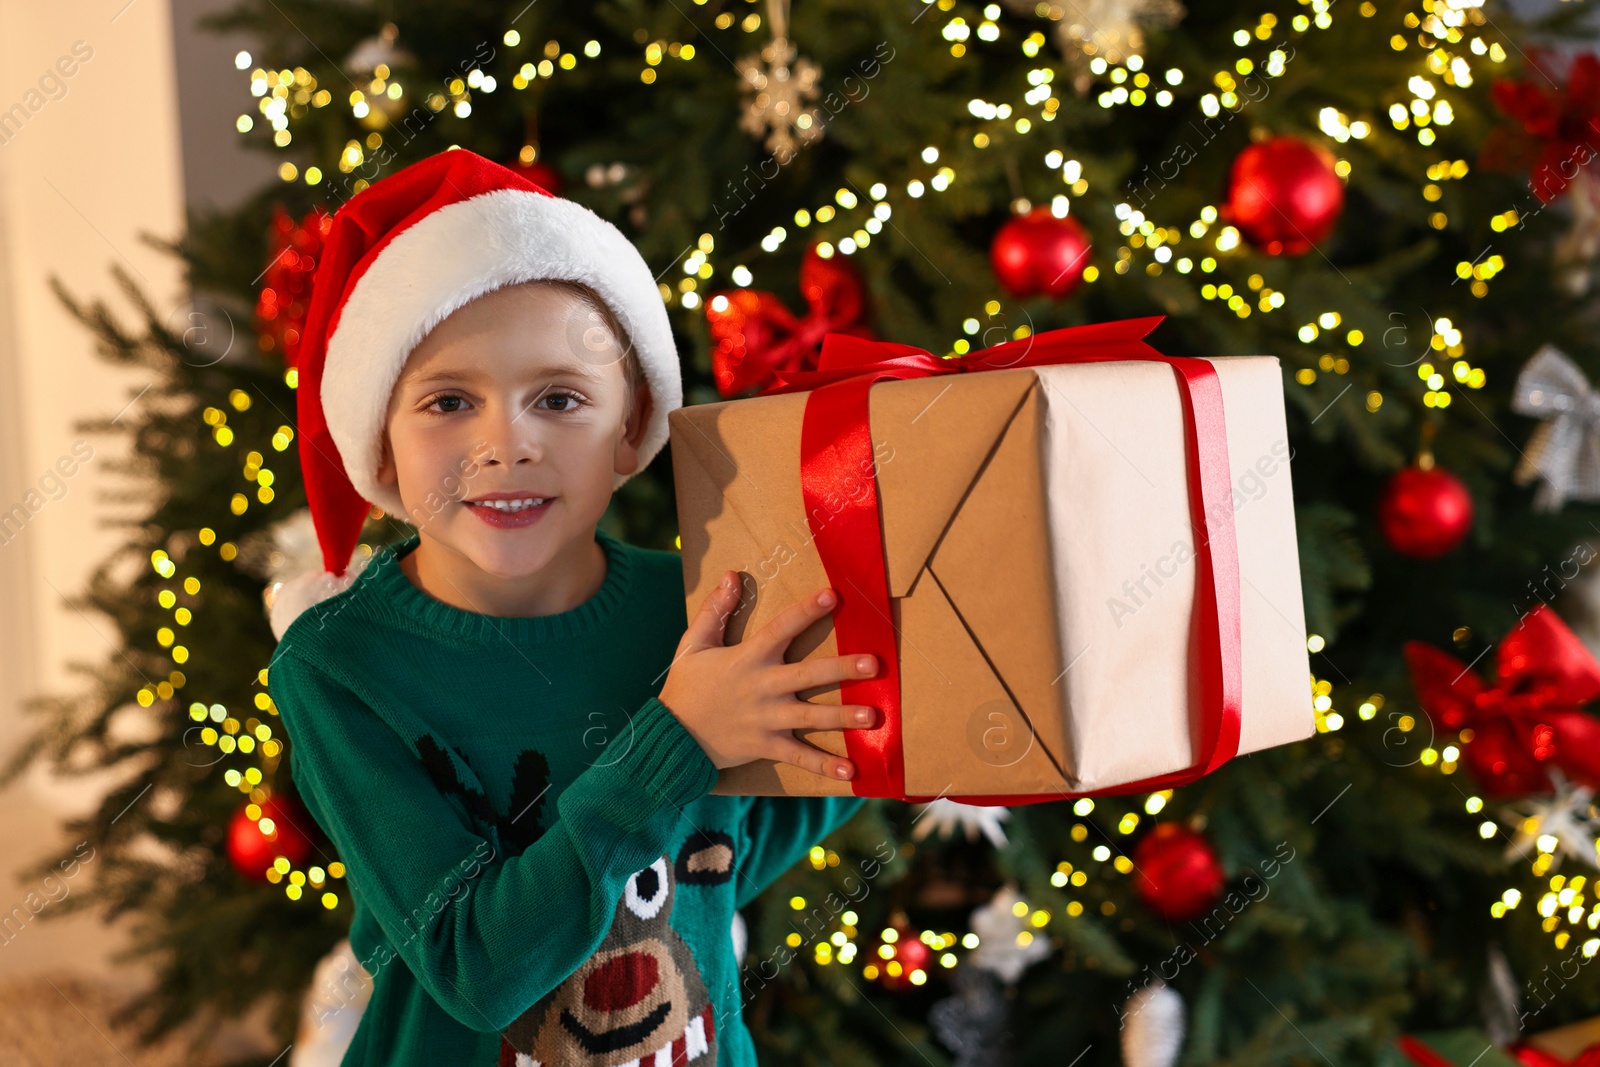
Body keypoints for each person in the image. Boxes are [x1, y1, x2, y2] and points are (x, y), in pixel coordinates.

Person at [264, 148, 876, 1066]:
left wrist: (893, 727)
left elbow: (724, 848)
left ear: (631, 428)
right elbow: (476, 970)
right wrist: (678, 738)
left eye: (559, 397)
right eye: (447, 401)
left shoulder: (702, 602)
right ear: (379, 448)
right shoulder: (341, 665)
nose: (506, 443)